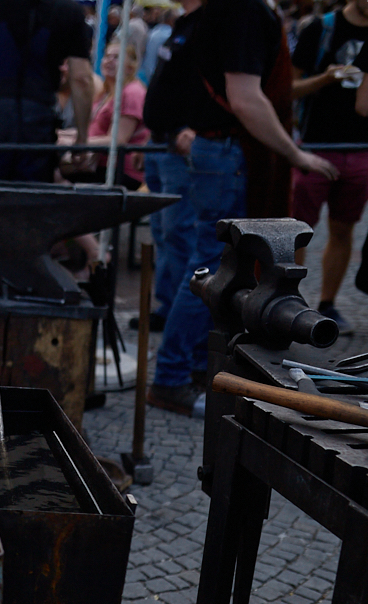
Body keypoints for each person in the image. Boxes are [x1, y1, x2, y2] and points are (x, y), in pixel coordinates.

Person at [147, 0, 339, 416]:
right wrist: (295, 154)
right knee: (212, 268)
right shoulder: (242, 9)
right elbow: (245, 98)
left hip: (224, 151)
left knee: (218, 266)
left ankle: (194, 367)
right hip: (227, 153)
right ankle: (171, 377)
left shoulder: (236, 9)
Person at [288, 0, 368, 336]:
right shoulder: (321, 29)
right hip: (315, 147)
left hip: (361, 150)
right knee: (296, 231)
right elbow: (289, 89)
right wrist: (326, 77)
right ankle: (287, 302)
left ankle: (327, 304)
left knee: (343, 229)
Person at [0, 0, 93, 183]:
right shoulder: (70, 11)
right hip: (38, 118)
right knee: (30, 192)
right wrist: (82, 138)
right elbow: (82, 79)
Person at [139, 0, 202, 335]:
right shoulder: (183, 24)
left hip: (178, 145)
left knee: (177, 232)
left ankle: (179, 310)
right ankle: (168, 305)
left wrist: (195, 127)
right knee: (165, 232)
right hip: (160, 142)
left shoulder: (206, 25)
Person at [68, 44, 150, 190]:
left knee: (56, 173)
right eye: (107, 56)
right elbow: (94, 132)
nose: (109, 61)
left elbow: (118, 140)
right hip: (96, 162)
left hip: (119, 170)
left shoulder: (132, 92)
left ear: (130, 67)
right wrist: (63, 136)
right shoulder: (106, 93)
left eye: (116, 57)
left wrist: (77, 143)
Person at [139, 7, 176, 83]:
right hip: (155, 75)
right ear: (171, 20)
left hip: (144, 73)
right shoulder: (168, 35)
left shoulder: (153, 31)